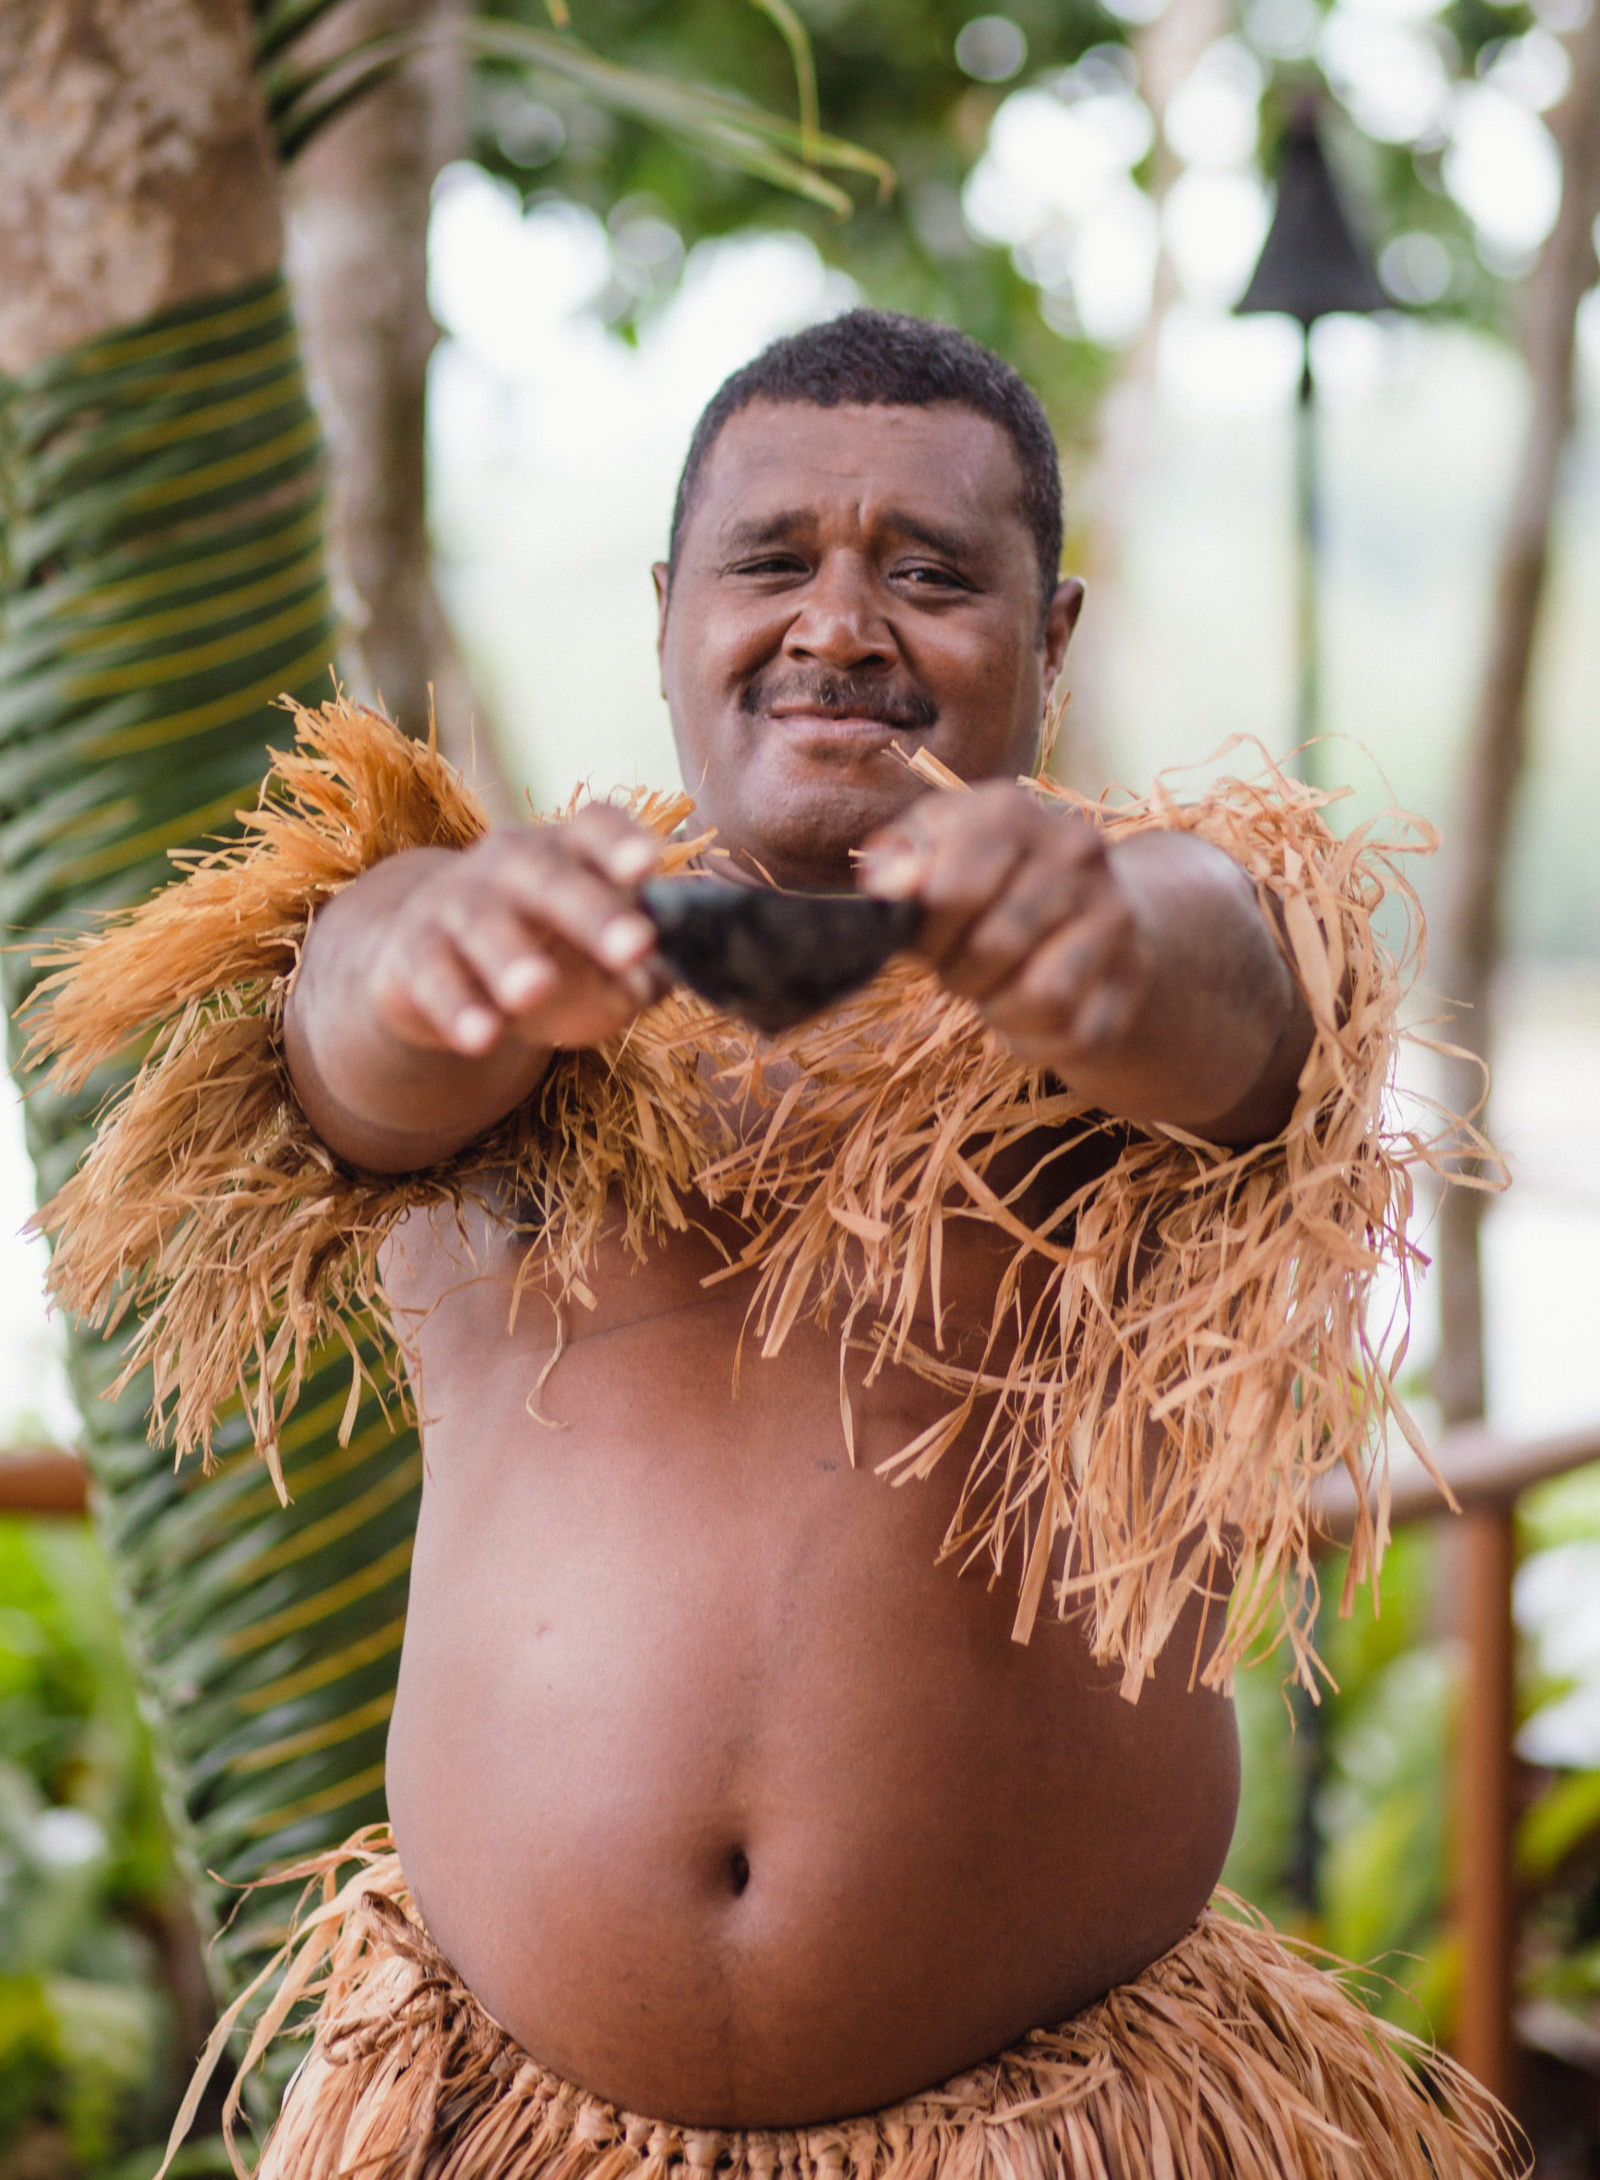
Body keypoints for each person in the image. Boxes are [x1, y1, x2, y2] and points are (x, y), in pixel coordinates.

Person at [33, 312, 1517, 2180]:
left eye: (929, 573)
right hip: (502, 2119)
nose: (838, 624)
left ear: (1051, 636)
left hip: (1067, 2114)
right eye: (771, 562)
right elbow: (358, 1022)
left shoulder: (1163, 936)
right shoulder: (503, 950)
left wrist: (1081, 941)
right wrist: (454, 960)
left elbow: (1222, 981)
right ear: (670, 613)